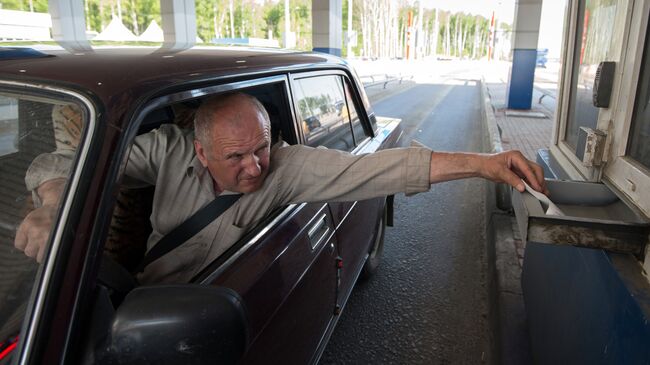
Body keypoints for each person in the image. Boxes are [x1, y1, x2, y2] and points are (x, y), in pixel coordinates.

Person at [14, 92, 547, 284]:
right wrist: (57, 204)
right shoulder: (168, 150)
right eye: (236, 157)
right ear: (200, 152)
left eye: (262, 148)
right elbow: (65, 160)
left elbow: (379, 169)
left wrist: (486, 163)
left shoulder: (285, 168)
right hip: (137, 290)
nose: (254, 168)